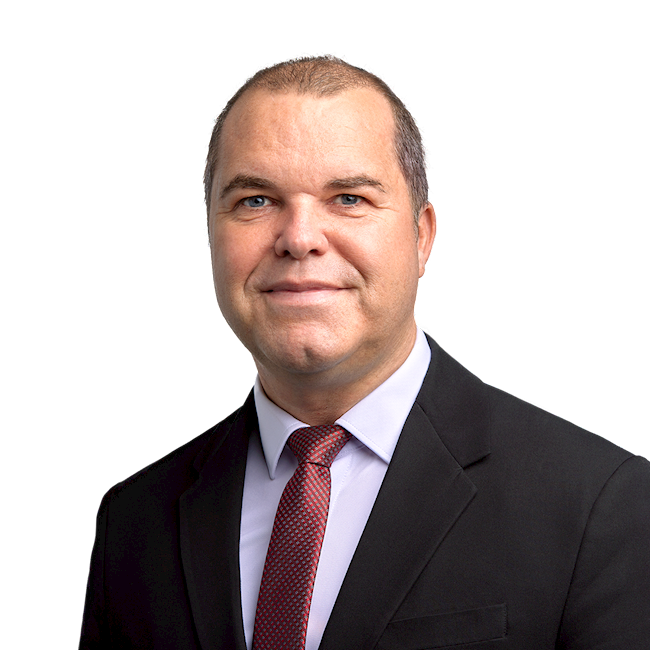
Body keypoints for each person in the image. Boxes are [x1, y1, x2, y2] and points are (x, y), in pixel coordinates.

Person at [80, 55, 649, 650]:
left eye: (348, 198)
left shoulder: (600, 504)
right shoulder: (134, 522)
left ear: (422, 236)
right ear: (210, 236)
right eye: (255, 200)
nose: (300, 238)